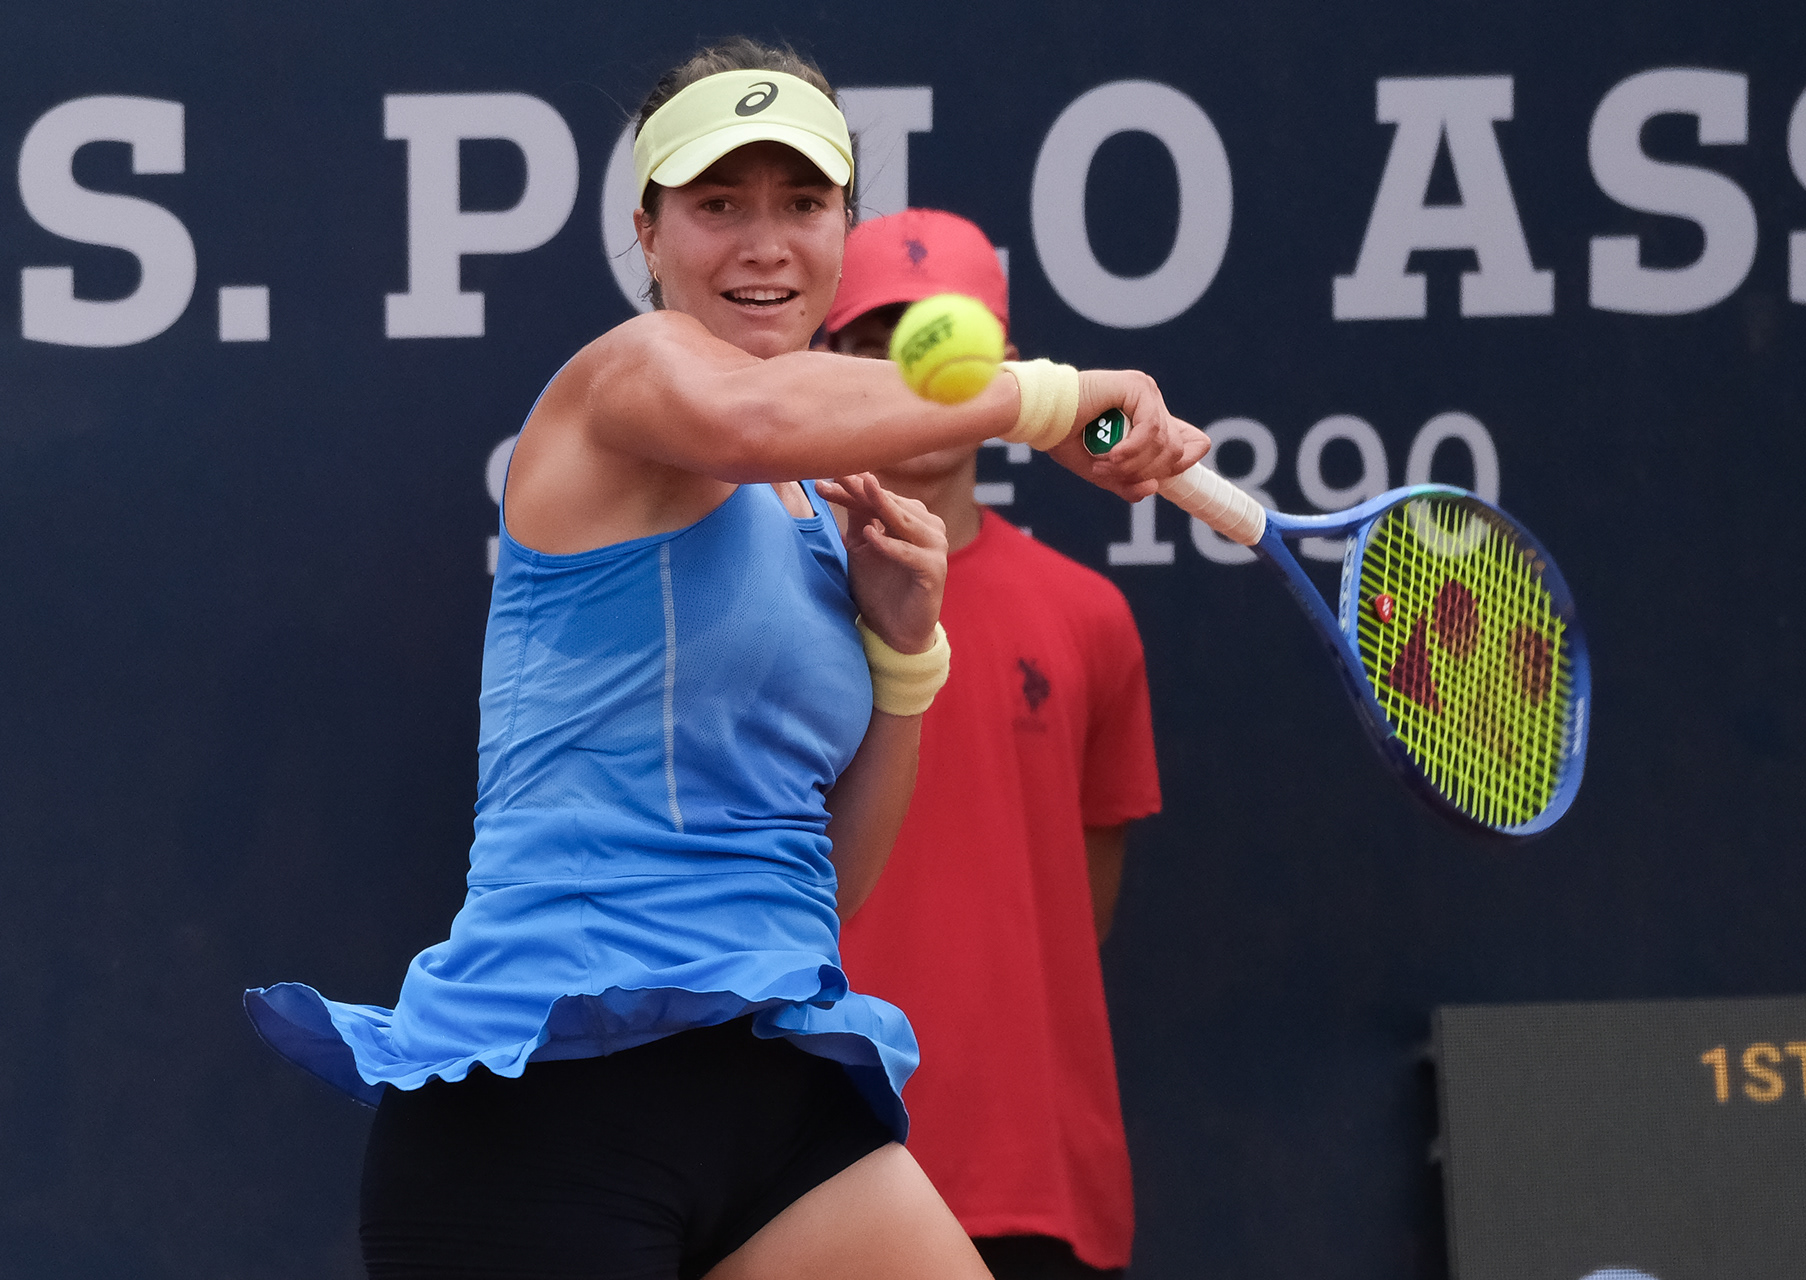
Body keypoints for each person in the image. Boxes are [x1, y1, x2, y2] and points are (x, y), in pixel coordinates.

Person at [243, 36, 1207, 1280]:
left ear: (841, 230)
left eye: (801, 203)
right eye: (718, 204)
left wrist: (905, 653)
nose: (764, 242)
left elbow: (828, 884)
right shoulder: (626, 378)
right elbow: (752, 413)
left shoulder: (821, 497)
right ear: (648, 233)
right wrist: (1050, 397)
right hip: (543, 1108)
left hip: (770, 1087)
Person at [827, 210, 1161, 1280]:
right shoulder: (764, 603)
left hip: (1035, 1190)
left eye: (940, 335)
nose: (909, 368)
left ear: (1005, 372)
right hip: (805, 1174)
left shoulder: (1091, 615)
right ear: (822, 365)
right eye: (876, 341)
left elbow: (1085, 902)